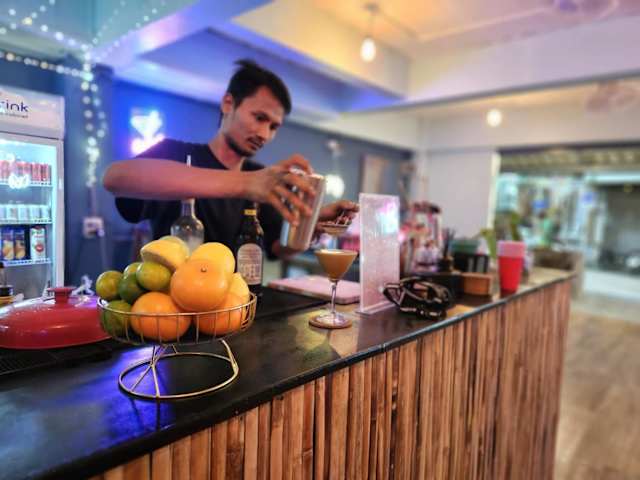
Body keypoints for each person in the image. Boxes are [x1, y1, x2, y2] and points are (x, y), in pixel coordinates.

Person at [103, 59, 358, 259]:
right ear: (228, 103)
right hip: (173, 305)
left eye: (273, 126)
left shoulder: (261, 178)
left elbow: (276, 248)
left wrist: (308, 224)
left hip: (239, 305)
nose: (265, 134)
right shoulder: (176, 154)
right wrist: (245, 184)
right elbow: (114, 178)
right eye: (259, 118)